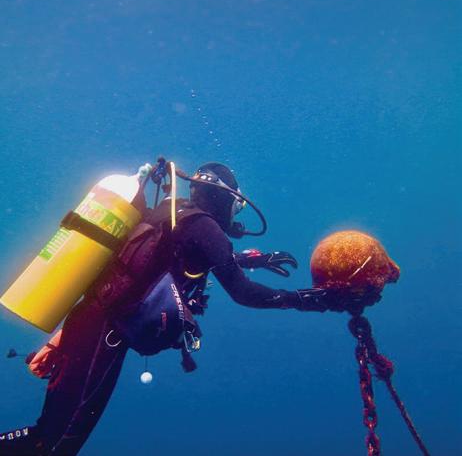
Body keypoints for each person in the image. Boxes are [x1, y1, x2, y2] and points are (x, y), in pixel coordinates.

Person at [0, 162, 336, 455]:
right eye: (236, 205)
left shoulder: (172, 211)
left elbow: (148, 264)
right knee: (53, 444)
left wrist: (256, 259)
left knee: (49, 436)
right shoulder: (204, 227)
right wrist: (305, 299)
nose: (235, 215)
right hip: (103, 337)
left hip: (88, 326)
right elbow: (242, 292)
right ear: (224, 197)